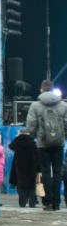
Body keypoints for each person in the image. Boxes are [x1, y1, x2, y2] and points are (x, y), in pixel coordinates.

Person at [26, 80, 67, 211]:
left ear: (41, 90)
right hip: (59, 143)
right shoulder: (63, 105)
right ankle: (57, 203)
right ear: (53, 89)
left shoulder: (35, 105)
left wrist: (36, 136)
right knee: (58, 172)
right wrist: (62, 136)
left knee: (45, 172)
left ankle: (47, 202)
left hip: (42, 144)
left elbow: (31, 126)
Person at [8, 128, 40, 208]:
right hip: (32, 166)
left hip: (19, 166)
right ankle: (32, 203)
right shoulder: (33, 142)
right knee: (32, 185)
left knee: (21, 184)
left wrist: (17, 137)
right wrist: (39, 169)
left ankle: (22, 203)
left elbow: (10, 146)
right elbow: (37, 156)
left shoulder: (17, 141)